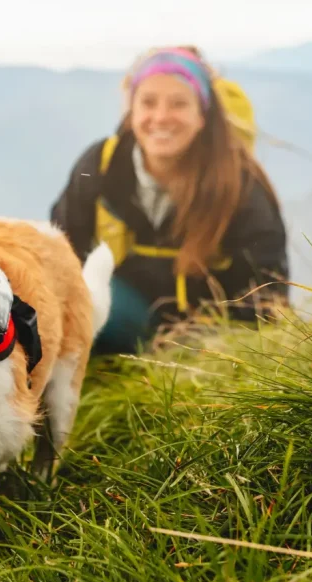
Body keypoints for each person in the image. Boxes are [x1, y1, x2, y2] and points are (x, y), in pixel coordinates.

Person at [50, 46, 289, 354]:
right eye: (148, 102)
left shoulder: (240, 186)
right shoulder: (101, 165)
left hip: (209, 338)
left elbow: (266, 294)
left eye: (178, 104)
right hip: (124, 318)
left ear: (202, 115)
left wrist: (208, 348)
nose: (161, 117)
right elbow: (60, 254)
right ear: (131, 110)